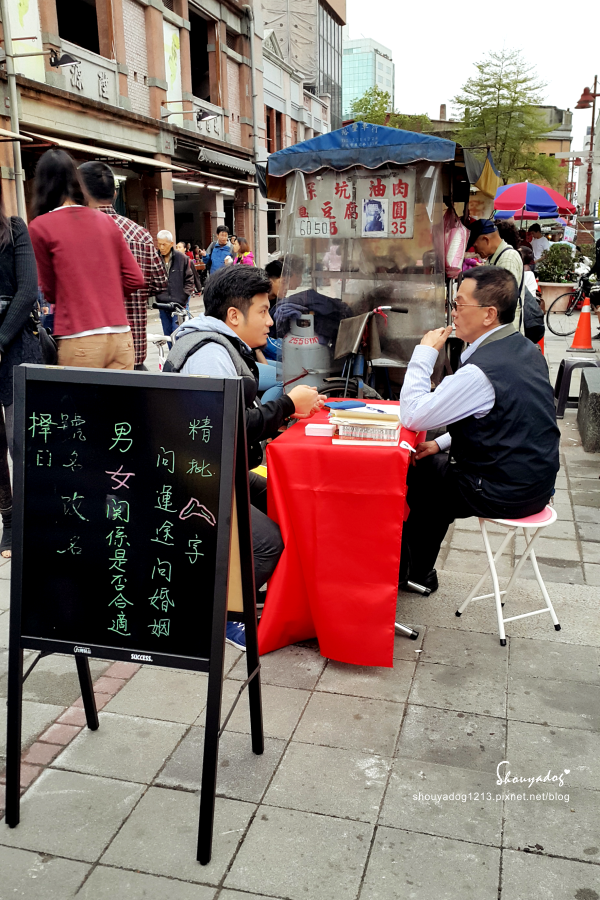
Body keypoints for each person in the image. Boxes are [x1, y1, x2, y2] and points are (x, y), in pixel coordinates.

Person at [163, 265, 325, 649]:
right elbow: (225, 427)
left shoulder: (223, 345)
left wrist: (285, 410)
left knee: (282, 498)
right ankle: (220, 615)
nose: (270, 321)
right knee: (267, 543)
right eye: (263, 311)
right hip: (194, 477)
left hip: (219, 467)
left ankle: (254, 591)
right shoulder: (209, 354)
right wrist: (287, 405)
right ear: (234, 315)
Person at [398, 266, 560, 592]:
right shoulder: (526, 349)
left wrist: (424, 354)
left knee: (417, 476)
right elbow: (504, 418)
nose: (453, 313)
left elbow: (413, 416)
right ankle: (416, 571)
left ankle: (409, 571)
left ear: (489, 314)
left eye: (460, 305)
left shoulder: (481, 370)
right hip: (537, 484)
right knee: (432, 464)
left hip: (504, 492)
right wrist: (442, 442)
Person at [29, 148, 144, 370]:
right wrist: (106, 292)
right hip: (121, 335)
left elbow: (49, 291)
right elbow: (135, 278)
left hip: (79, 336)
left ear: (41, 184)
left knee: (78, 395)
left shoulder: (40, 227)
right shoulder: (106, 221)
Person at [78, 161, 168, 370]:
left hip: (88, 354)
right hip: (132, 351)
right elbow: (160, 283)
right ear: (115, 194)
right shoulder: (141, 235)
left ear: (81, 193)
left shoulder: (74, 234)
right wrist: (134, 294)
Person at [0, 181, 43, 557]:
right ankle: (10, 520)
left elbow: (28, 289)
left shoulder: (15, 229)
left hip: (15, 345)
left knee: (21, 441)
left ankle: (36, 514)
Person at [467, 219, 525, 330]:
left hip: (504, 328)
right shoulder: (495, 257)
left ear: (486, 239)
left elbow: (502, 300)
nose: (476, 251)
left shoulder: (507, 258)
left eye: (475, 246)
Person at [155, 230, 195, 336]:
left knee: (178, 334)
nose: (161, 247)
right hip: (163, 304)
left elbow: (189, 279)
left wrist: (184, 296)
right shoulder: (155, 258)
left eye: (164, 244)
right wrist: (157, 293)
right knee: (168, 334)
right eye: (159, 244)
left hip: (179, 304)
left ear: (171, 244)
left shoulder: (182, 258)